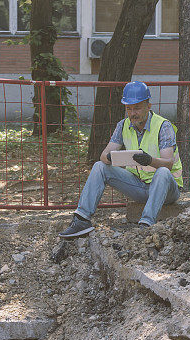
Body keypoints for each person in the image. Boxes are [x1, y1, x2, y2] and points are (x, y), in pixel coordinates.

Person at [59, 81, 183, 239]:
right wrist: (111, 157)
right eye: (128, 108)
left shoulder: (163, 126)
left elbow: (168, 163)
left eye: (137, 107)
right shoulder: (123, 125)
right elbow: (103, 156)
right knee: (100, 166)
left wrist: (149, 160)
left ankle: (146, 225)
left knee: (163, 172)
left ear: (148, 105)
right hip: (139, 186)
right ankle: (82, 220)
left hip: (167, 190)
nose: (132, 113)